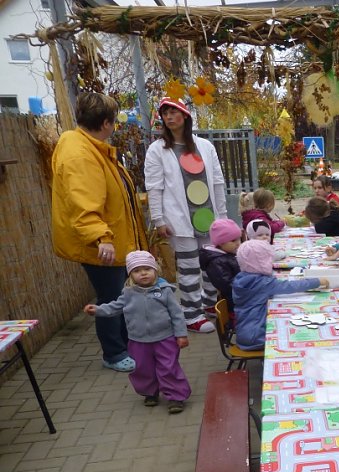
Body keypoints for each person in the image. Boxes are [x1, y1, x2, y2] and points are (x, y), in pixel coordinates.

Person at [51, 92, 149, 372]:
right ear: (106, 123)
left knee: (120, 295)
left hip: (111, 239)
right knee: (112, 298)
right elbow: (84, 200)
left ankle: (127, 344)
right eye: (114, 121)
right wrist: (101, 237)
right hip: (102, 244)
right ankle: (114, 353)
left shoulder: (92, 147)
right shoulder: (79, 154)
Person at [145, 97, 226, 334]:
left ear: (185, 115)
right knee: (189, 268)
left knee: (214, 265)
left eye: (174, 112)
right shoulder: (157, 150)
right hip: (180, 220)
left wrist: (221, 215)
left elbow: (218, 182)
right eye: (165, 113)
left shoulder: (205, 147)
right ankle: (191, 315)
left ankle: (209, 303)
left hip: (209, 219)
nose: (169, 117)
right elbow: (154, 186)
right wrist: (159, 219)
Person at [83, 251, 190, 414]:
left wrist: (181, 334)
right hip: (138, 340)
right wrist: (98, 310)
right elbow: (114, 307)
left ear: (156, 270)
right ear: (130, 275)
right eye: (137, 271)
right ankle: (150, 392)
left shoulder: (165, 291)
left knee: (168, 367)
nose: (143, 273)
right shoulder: (128, 293)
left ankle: (176, 396)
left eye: (147, 269)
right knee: (142, 368)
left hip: (165, 338)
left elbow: (177, 314)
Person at [232, 240, 328, 350]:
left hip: (245, 332)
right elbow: (289, 286)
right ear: (262, 262)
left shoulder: (242, 278)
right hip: (257, 336)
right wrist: (317, 282)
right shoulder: (262, 283)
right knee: (298, 333)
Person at [199, 219, 242, 312]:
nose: (238, 243)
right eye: (233, 240)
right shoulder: (216, 262)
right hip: (233, 305)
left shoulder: (227, 254)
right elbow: (227, 286)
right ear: (221, 243)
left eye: (239, 238)